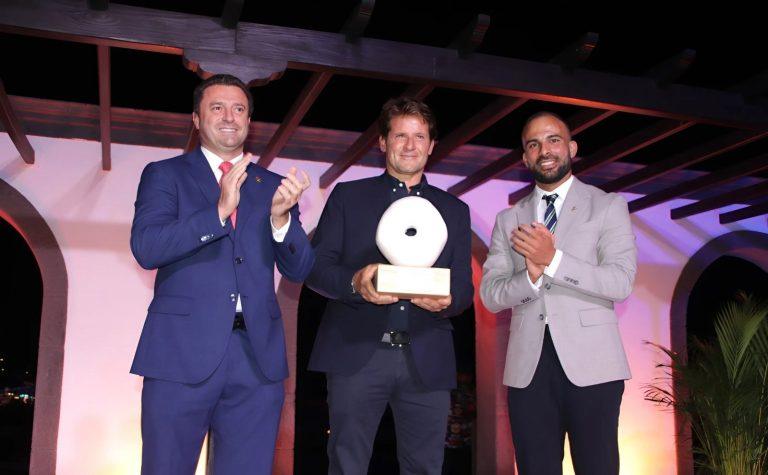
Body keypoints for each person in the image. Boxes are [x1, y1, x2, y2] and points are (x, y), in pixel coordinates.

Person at [129, 74, 314, 475]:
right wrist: (217, 211)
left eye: (239, 109)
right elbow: (147, 247)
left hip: (257, 359)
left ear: (249, 120)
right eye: (217, 107)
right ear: (196, 118)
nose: (229, 116)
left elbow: (300, 268)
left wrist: (281, 221)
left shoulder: (273, 186)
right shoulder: (165, 174)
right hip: (180, 353)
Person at [306, 97, 474, 475]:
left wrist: (449, 300)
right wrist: (355, 282)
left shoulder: (454, 211)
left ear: (432, 145)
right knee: (346, 463)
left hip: (427, 357)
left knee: (426, 467)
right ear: (383, 142)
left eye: (420, 136)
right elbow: (316, 268)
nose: (410, 145)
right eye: (400, 135)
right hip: (356, 355)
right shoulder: (349, 197)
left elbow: (464, 286)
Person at [480, 112, 637, 475]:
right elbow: (490, 294)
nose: (544, 150)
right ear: (525, 157)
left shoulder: (608, 205)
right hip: (527, 370)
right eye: (533, 144)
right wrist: (531, 278)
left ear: (571, 147)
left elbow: (620, 281)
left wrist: (553, 261)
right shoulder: (509, 219)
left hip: (594, 366)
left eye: (553, 140)